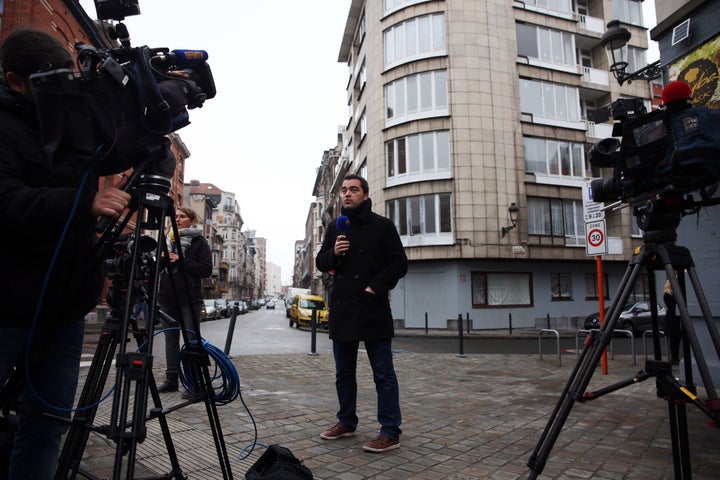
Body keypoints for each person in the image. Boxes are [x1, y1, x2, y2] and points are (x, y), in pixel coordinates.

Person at [0, 29, 131, 479]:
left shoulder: (68, 117)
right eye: (49, 81)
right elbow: (6, 201)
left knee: (48, 424)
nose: (62, 90)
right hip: (7, 303)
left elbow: (116, 149)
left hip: (65, 305)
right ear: (16, 82)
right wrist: (84, 203)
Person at [315, 173, 408, 453]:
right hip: (343, 309)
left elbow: (399, 263)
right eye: (344, 190)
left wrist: (374, 288)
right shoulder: (335, 227)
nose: (347, 194)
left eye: (353, 189)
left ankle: (390, 431)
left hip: (372, 308)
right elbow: (321, 261)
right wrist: (334, 252)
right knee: (344, 373)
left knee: (383, 374)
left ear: (365, 195)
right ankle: (346, 421)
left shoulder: (382, 226)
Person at [157, 206, 212, 395]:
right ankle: (171, 379)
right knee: (170, 340)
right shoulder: (166, 239)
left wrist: (180, 259)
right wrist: (161, 259)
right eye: (176, 216)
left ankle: (196, 382)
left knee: (191, 340)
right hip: (167, 297)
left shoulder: (199, 242)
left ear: (191, 220)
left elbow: (205, 269)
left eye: (182, 216)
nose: (178, 219)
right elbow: (156, 269)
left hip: (189, 298)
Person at [663, 278, 683, 365]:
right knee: (674, 339)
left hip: (674, 318)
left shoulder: (670, 294)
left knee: (676, 339)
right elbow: (672, 307)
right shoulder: (668, 294)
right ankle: (674, 358)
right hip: (673, 319)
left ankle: (675, 358)